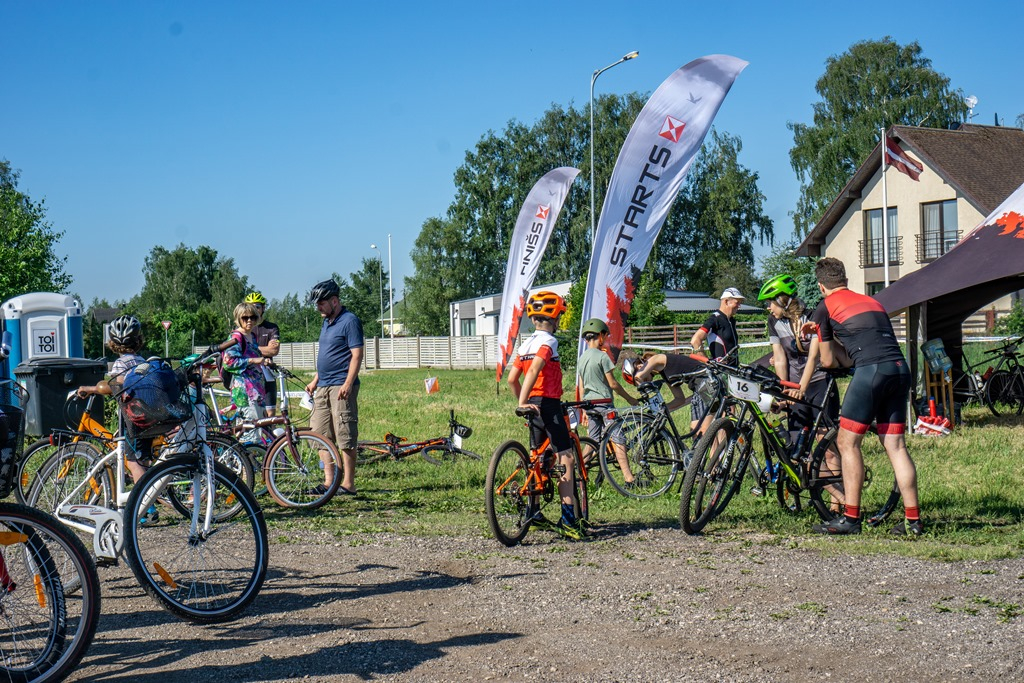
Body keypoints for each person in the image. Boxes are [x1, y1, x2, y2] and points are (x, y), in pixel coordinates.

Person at [802, 257, 922, 536]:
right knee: (896, 446)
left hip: (872, 372)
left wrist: (825, 335)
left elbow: (830, 360)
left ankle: (850, 518)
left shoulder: (825, 306)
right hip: (899, 369)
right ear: (845, 280)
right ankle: (913, 522)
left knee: (847, 442)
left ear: (821, 286)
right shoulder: (873, 302)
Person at [507, 291, 581, 539]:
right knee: (566, 457)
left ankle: (535, 512)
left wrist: (525, 401)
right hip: (548, 404)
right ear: (554, 316)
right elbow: (536, 369)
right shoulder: (548, 342)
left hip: (532, 405)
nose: (560, 320)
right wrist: (522, 401)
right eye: (560, 314)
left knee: (538, 459)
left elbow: (511, 378)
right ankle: (569, 521)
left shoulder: (525, 344)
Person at [304, 279, 363, 496]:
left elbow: (356, 355)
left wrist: (348, 383)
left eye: (321, 302)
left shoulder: (350, 321)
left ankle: (348, 484)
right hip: (323, 386)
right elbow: (328, 356)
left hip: (341, 386)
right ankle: (329, 483)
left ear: (334, 301)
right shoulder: (326, 322)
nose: (317, 306)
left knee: (345, 434)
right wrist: (315, 380)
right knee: (320, 434)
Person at [76, 314, 151, 483]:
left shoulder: (120, 363)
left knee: (132, 462)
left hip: (133, 418)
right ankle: (150, 496)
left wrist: (91, 388)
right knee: (143, 459)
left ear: (112, 343)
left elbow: (115, 386)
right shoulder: (141, 360)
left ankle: (147, 504)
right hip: (148, 414)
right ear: (138, 340)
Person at [576, 318, 638, 486]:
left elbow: (581, 387)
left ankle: (579, 471)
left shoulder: (581, 359)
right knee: (618, 437)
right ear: (601, 336)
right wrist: (630, 398)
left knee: (593, 440)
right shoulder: (602, 357)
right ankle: (629, 478)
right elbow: (612, 383)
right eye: (605, 335)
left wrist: (583, 410)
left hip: (589, 405)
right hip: (604, 404)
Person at [689, 287, 745, 433]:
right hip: (720, 373)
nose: (739, 306)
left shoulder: (731, 321)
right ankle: (717, 453)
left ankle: (724, 452)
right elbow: (696, 340)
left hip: (732, 373)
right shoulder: (715, 318)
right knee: (722, 414)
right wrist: (706, 361)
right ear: (726, 301)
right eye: (737, 302)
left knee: (730, 415)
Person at [223, 302, 269, 435]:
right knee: (249, 431)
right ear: (238, 319)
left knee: (258, 428)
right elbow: (229, 362)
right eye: (245, 318)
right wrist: (252, 360)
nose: (249, 320)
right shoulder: (236, 337)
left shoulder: (252, 337)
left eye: (253, 317)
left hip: (256, 389)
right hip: (245, 391)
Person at [633, 351, 707, 434]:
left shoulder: (656, 358)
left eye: (645, 380)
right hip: (700, 386)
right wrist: (660, 410)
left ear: (640, 367)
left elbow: (638, 377)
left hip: (704, 381)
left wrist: (643, 390)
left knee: (700, 432)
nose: (648, 381)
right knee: (702, 432)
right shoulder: (666, 374)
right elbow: (680, 399)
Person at [244, 292, 282, 416]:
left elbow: (273, 350)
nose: (253, 310)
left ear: (263, 308)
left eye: (257, 307)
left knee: (270, 414)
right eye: (250, 307)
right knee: (250, 412)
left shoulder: (271, 328)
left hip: (267, 373)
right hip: (249, 374)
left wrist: (250, 348)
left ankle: (270, 435)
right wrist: (263, 350)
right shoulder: (243, 329)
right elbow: (239, 350)